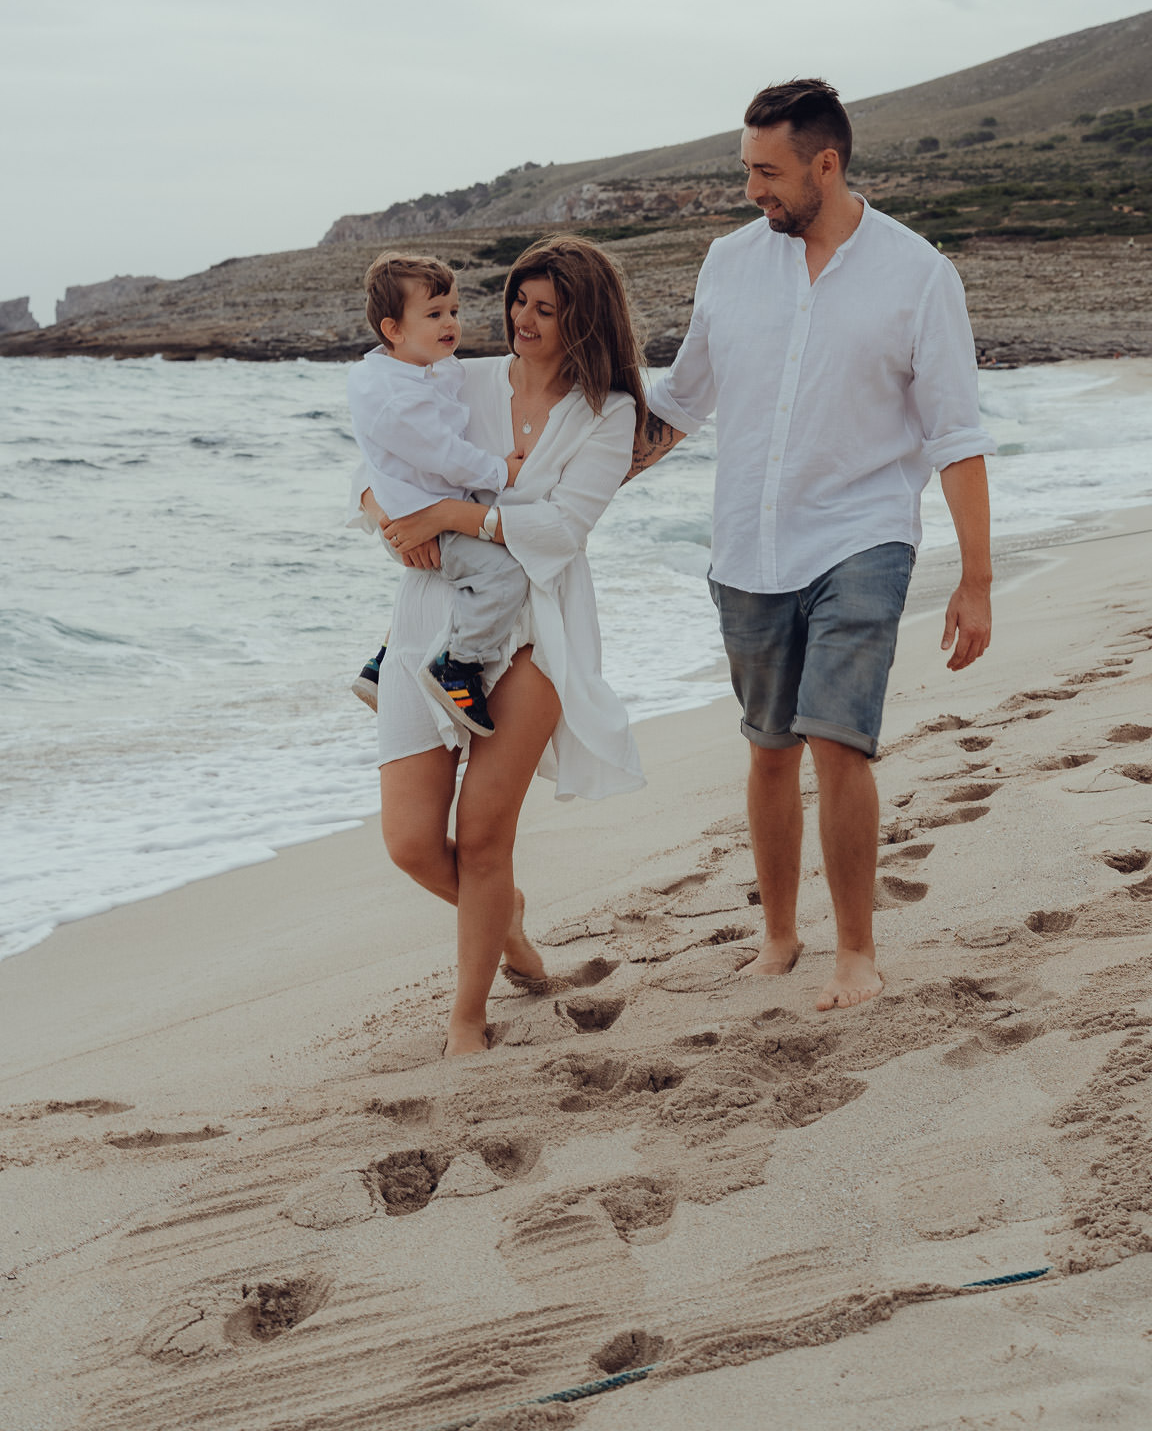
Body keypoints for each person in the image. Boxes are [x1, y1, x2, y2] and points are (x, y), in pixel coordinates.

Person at [631, 77, 995, 1014]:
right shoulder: (728, 262)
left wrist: (976, 580)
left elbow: (956, 436)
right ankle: (781, 935)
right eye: (746, 168)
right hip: (749, 543)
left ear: (824, 165)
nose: (752, 188)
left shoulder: (918, 274)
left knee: (838, 741)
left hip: (864, 534)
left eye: (766, 171)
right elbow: (677, 405)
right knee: (768, 750)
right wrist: (557, 492)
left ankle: (857, 953)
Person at [348, 235, 647, 1057]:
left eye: (546, 310)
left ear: (583, 321)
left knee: (482, 837)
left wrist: (450, 517)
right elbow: (377, 454)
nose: (523, 319)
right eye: (519, 299)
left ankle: (467, 1018)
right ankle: (506, 920)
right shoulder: (460, 377)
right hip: (430, 618)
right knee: (411, 842)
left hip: (536, 629)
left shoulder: (608, 413)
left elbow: (565, 527)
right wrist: (386, 516)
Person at [347, 251, 530, 736]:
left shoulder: (423, 367)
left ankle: (381, 666)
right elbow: (443, 454)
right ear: (394, 330)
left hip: (425, 511)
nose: (451, 323)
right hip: (416, 521)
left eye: (453, 311)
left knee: (471, 576)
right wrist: (500, 471)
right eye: (434, 315)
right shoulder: (397, 398)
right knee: (505, 576)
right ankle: (457, 667)